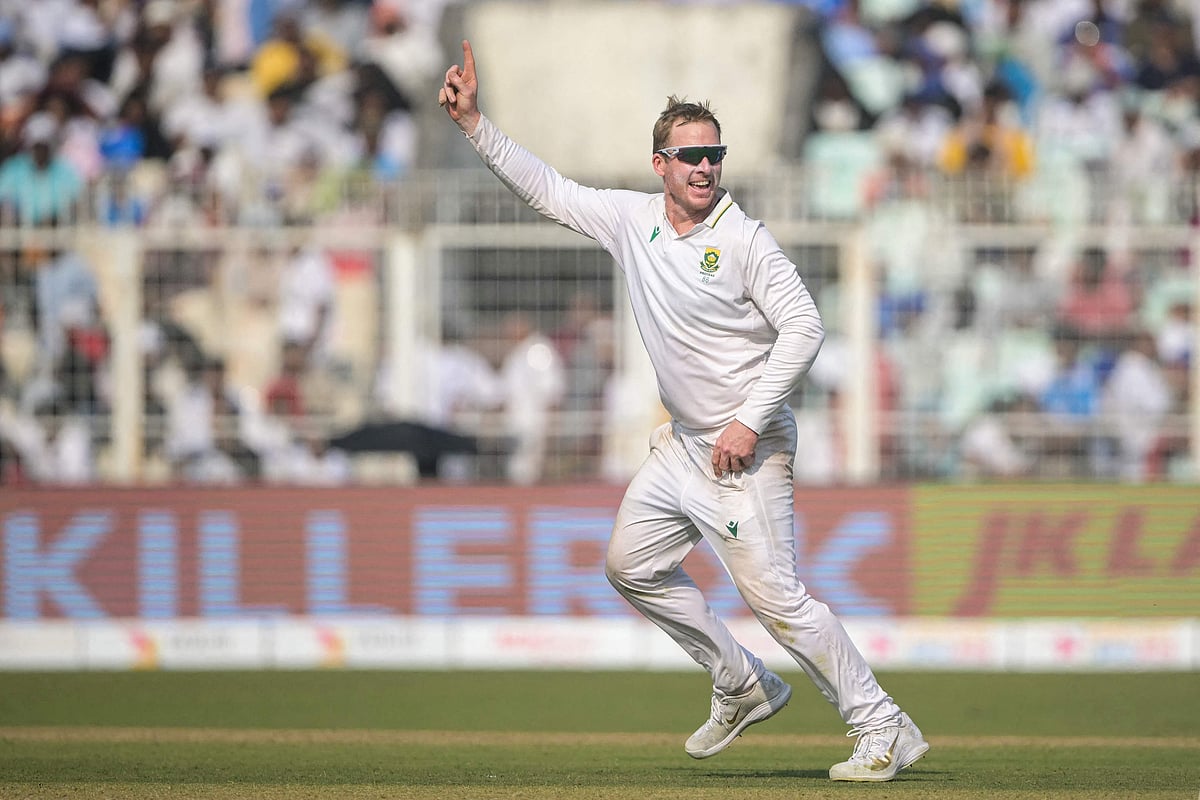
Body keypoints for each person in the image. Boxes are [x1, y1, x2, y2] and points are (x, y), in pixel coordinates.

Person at [439, 40, 929, 782]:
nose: (704, 168)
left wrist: (749, 419)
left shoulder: (745, 240)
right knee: (629, 565)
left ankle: (884, 726)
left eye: (714, 156)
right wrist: (476, 124)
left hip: (746, 451)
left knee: (779, 602)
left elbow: (805, 327)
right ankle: (740, 681)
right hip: (684, 448)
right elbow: (547, 189)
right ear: (660, 164)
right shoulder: (631, 221)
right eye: (689, 157)